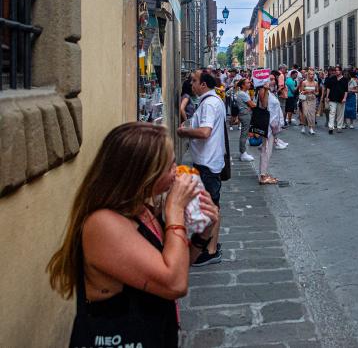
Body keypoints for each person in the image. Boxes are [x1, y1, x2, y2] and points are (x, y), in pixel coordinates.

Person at [47, 122, 219, 346]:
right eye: (169, 166)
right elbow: (174, 284)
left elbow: (175, 265)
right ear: (145, 173)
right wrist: (175, 210)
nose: (176, 171)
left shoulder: (143, 210)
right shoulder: (103, 224)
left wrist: (202, 234)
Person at [176, 69, 225, 266]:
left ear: (204, 85)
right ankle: (212, 243)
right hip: (209, 160)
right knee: (211, 205)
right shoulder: (210, 101)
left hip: (207, 162)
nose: (191, 83)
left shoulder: (210, 104)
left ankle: (211, 251)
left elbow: (205, 132)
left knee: (210, 207)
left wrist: (184, 132)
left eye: (194, 81)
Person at [257, 75, 284, 185]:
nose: (273, 81)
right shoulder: (263, 91)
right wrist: (266, 88)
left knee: (268, 150)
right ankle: (263, 176)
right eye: (271, 79)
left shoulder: (271, 92)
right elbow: (263, 106)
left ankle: (264, 173)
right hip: (267, 126)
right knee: (266, 149)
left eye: (273, 79)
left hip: (272, 126)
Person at [234, 78, 256, 162]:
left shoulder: (243, 92)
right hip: (245, 114)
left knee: (245, 133)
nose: (249, 84)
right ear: (243, 85)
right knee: (244, 134)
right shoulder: (242, 93)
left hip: (245, 114)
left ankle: (243, 152)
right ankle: (243, 153)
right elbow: (252, 104)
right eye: (247, 83)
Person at [324, 65, 349, 134]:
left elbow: (346, 90)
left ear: (341, 71)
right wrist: (327, 96)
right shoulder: (332, 78)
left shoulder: (344, 79)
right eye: (336, 70)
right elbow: (328, 88)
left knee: (340, 114)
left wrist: (344, 98)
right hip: (332, 98)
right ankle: (331, 127)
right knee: (332, 112)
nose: (336, 71)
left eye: (338, 70)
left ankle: (339, 127)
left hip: (341, 99)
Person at [300, 70, 319, 135]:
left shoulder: (315, 83)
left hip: (313, 99)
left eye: (313, 74)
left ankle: (311, 128)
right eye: (310, 74)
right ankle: (303, 126)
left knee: (312, 114)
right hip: (305, 99)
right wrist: (305, 92)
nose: (312, 76)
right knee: (305, 113)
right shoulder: (304, 82)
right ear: (308, 75)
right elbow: (301, 92)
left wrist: (314, 92)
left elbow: (317, 92)